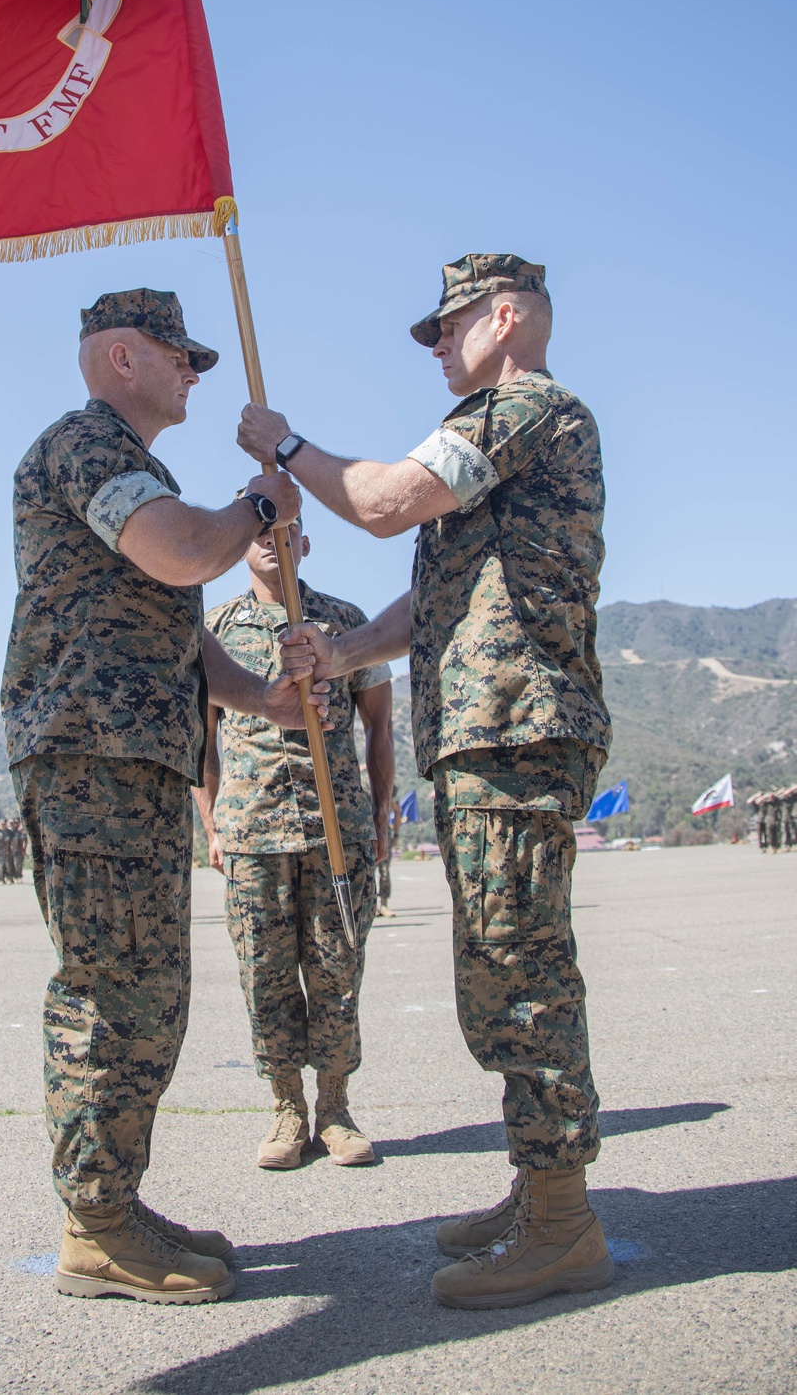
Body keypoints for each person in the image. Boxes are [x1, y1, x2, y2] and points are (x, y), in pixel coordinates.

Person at [239, 251, 614, 1310]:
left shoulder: (524, 406)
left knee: (518, 969)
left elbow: (387, 502)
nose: (438, 347)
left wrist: (287, 445)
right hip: (482, 732)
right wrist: (342, 657)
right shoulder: (498, 437)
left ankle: (561, 1222)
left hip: (512, 732)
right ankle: (539, 1184)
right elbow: (434, 600)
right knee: (498, 967)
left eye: (445, 328)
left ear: (504, 317)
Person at [1, 287, 329, 1307]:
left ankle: (114, 1204)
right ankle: (95, 1226)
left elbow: (173, 635)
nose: (192, 372)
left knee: (148, 992)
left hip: (134, 755)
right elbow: (182, 554)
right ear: (119, 357)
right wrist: (258, 507)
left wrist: (259, 700)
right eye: (177, 355)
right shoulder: (85, 444)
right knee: (113, 992)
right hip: (90, 756)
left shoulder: (139, 466)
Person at [196, 520, 394, 1171]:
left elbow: (380, 724)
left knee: (337, 969)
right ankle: (287, 1109)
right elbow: (203, 737)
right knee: (265, 974)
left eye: (283, 529)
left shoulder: (344, 622)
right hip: (254, 829)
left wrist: (383, 809)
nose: (267, 539)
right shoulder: (218, 631)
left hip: (337, 827)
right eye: (254, 528)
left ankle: (335, 1109)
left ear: (303, 542)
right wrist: (212, 823)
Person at [377, 786, 400, 917]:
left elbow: (397, 810)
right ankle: (371, 906)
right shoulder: (358, 778)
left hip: (384, 833)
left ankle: (384, 905)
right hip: (365, 833)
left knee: (384, 871)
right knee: (367, 873)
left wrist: (396, 834)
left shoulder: (385, 780)